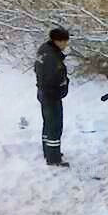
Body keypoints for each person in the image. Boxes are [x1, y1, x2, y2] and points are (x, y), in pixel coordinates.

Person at [35, 28, 70, 167]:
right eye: (65, 42)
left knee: (48, 123)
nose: (66, 45)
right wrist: (62, 85)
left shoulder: (44, 49)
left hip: (43, 93)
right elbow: (52, 78)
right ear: (58, 41)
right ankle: (54, 158)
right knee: (55, 126)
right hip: (51, 95)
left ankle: (48, 151)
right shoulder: (51, 57)